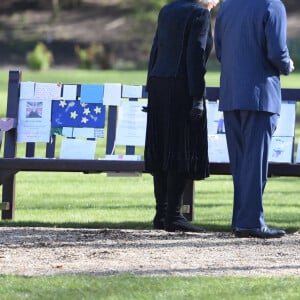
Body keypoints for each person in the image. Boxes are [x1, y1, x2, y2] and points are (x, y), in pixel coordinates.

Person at [214, 0, 295, 238]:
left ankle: (241, 220)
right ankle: (251, 222)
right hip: (260, 94)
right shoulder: (272, 5)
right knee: (254, 163)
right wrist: (287, 65)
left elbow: (219, 50)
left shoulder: (227, 5)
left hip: (231, 93)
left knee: (241, 164)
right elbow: (277, 51)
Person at [145, 0, 220, 232]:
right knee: (179, 146)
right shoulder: (199, 14)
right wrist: (198, 95)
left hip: (158, 83)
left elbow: (155, 49)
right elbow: (195, 56)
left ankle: (161, 213)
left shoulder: (167, 9)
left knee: (162, 146)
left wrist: (150, 86)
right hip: (181, 86)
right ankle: (173, 215)